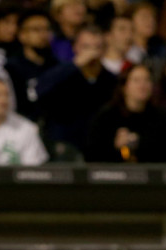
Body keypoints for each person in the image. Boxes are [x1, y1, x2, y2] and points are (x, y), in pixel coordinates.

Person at [32, 25, 117, 155]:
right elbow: (39, 90)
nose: (91, 53)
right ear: (75, 47)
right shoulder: (61, 73)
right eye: (86, 47)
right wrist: (74, 65)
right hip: (63, 146)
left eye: (97, 47)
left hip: (98, 147)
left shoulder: (111, 80)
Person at [86, 64, 166, 163]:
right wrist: (115, 145)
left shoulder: (160, 116)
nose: (142, 85)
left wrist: (140, 144)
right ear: (124, 87)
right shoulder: (107, 116)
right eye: (136, 80)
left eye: (147, 80)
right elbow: (92, 155)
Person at [5, 9, 57, 123]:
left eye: (47, 29)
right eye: (36, 30)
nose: (43, 34)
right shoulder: (11, 68)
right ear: (22, 35)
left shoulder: (58, 65)